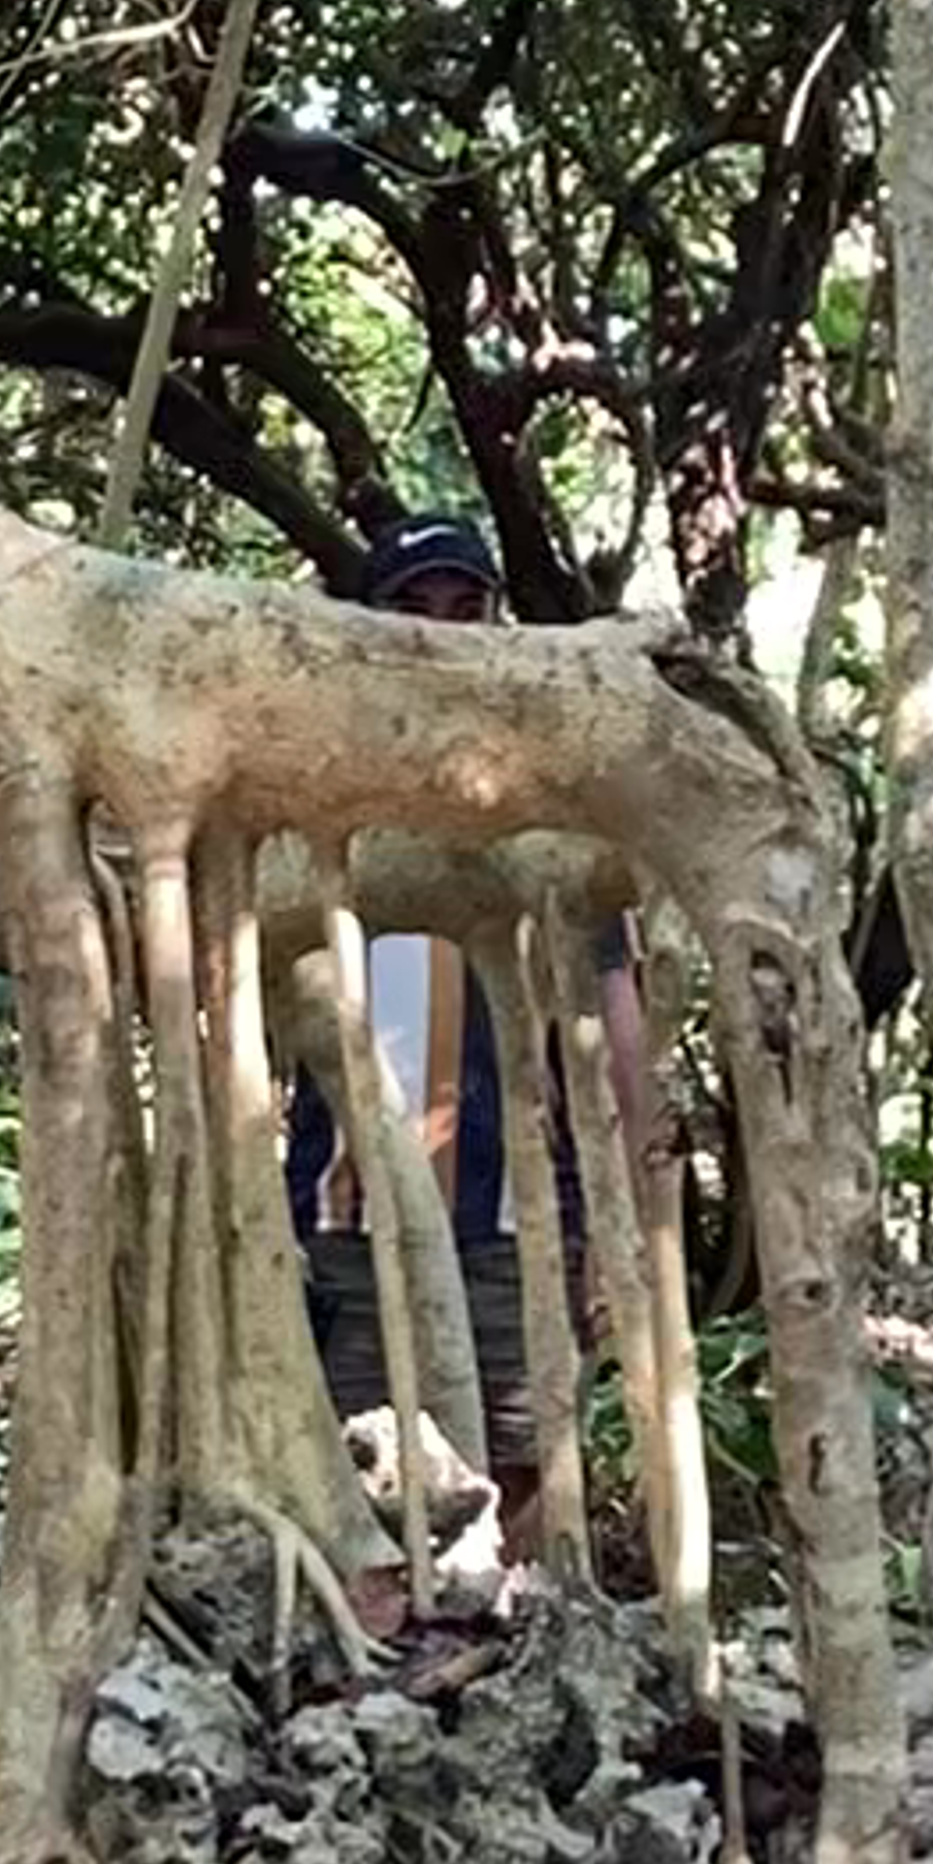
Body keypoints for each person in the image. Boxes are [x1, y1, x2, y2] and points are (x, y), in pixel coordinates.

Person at [286, 508, 653, 1533]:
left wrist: (625, 1221)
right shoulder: (317, 801)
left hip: (521, 1216)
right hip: (346, 1209)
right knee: (364, 1472)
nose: (441, 632)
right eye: (412, 608)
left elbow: (615, 1008)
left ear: (498, 621)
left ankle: (505, 1666)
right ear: (365, 627)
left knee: (525, 1470)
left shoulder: (554, 809)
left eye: (464, 606)